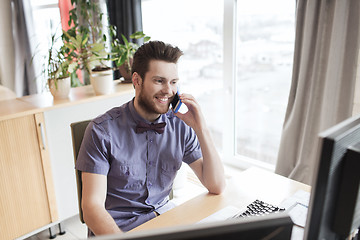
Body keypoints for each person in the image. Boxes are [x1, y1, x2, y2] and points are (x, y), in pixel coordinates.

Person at [75, 40, 226, 236]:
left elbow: (217, 185)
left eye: (173, 82)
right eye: (159, 81)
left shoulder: (180, 125)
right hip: (118, 231)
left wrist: (201, 128)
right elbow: (91, 209)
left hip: (164, 222)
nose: (169, 91)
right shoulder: (101, 131)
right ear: (137, 81)